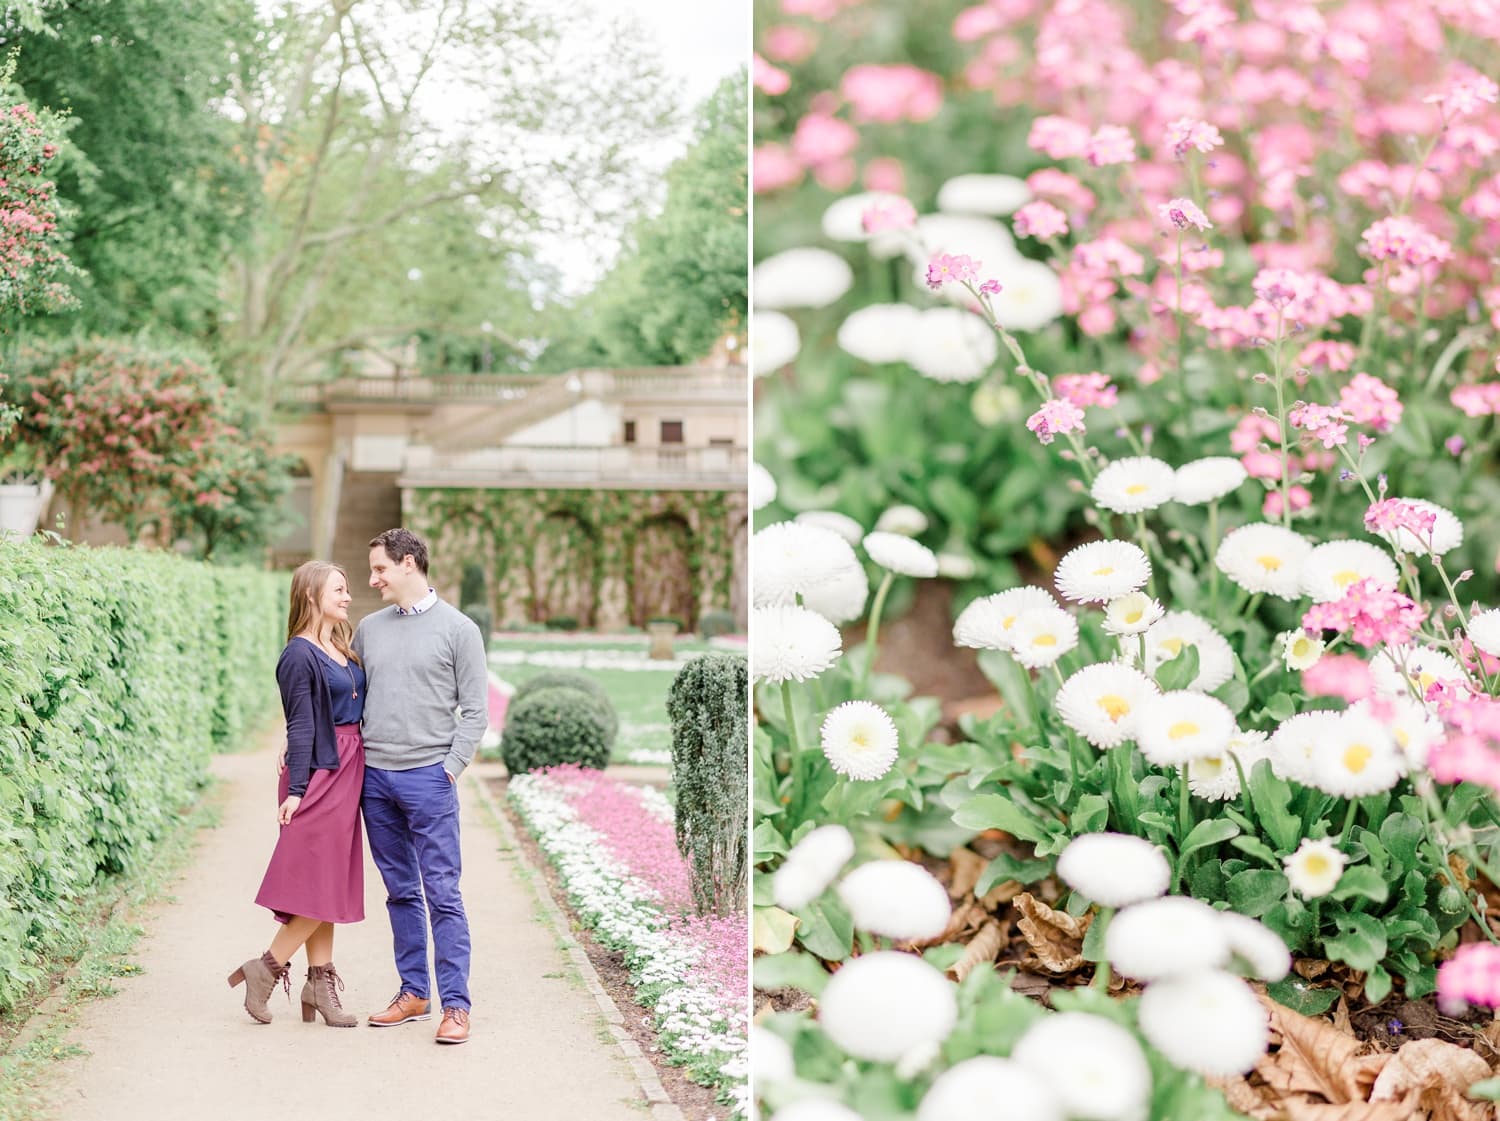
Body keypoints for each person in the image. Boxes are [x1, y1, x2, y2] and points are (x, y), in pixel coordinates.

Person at [356, 527, 488, 1045]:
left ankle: (456, 1005)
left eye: (381, 569)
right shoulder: (368, 628)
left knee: (443, 894)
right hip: (376, 780)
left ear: (409, 563)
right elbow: (353, 698)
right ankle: (414, 992)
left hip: (430, 779)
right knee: (400, 892)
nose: (373, 579)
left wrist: (450, 768)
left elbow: (475, 711)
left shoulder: (459, 630)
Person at [228, 561, 366, 1027]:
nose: (348, 597)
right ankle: (264, 969)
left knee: (325, 880)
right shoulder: (298, 655)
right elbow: (301, 723)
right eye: (339, 590)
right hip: (321, 775)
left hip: (349, 770)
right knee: (317, 882)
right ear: (311, 595)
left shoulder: (340, 644)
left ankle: (319, 984)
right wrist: (299, 790)